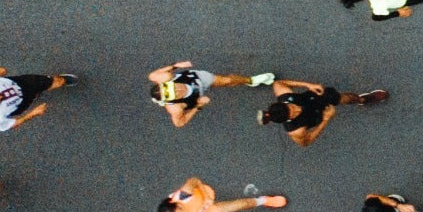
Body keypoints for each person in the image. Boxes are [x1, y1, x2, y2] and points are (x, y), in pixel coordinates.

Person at [259, 79, 389, 147]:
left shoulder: (284, 95)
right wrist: (326, 119)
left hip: (313, 97)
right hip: (315, 116)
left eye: (292, 107)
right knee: (331, 105)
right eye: (293, 114)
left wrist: (307, 85)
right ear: (288, 120)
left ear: (285, 103)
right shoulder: (295, 131)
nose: (297, 109)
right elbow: (306, 142)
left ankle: (362, 99)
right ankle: (360, 99)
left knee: (340, 97)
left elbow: (278, 83)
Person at [147, 62, 276, 127]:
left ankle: (251, 81)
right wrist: (198, 106)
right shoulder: (175, 109)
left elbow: (152, 75)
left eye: (174, 86)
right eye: (175, 94)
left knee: (227, 81)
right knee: (225, 82)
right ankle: (249, 81)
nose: (178, 89)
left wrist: (176, 65)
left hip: (197, 78)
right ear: (172, 100)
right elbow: (180, 123)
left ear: (168, 83)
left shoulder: (165, 77)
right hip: (198, 96)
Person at [152, 178, 287, 212]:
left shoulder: (184, 194)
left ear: (174, 202)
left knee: (244, 203)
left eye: (179, 208)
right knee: (241, 205)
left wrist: (206, 197)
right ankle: (264, 201)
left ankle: (264, 200)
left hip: (205, 198)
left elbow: (195, 180)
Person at [0, 67, 76, 130]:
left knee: (56, 82)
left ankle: (58, 80)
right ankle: (35, 94)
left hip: (19, 83)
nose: (0, 95)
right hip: (21, 103)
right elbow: (13, 124)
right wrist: (33, 113)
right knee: (32, 96)